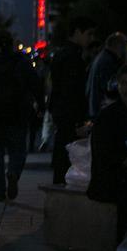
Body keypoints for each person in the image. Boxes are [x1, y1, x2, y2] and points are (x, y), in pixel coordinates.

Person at [0, 30, 44, 201]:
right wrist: (41, 105)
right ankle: (13, 173)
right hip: (18, 113)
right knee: (18, 150)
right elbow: (36, 84)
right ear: (12, 44)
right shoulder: (22, 62)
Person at [87, 64, 127, 238]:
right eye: (125, 83)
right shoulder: (109, 116)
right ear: (118, 85)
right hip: (114, 177)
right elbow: (104, 155)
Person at [49, 16, 96, 184]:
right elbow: (71, 92)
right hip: (69, 118)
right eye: (89, 34)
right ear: (77, 32)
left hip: (62, 115)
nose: (91, 39)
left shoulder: (63, 55)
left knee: (63, 155)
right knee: (68, 156)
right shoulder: (72, 58)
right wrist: (77, 122)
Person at [87, 32, 127, 120]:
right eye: (124, 46)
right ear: (118, 46)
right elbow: (110, 88)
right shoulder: (108, 62)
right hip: (103, 112)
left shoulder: (102, 58)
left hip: (97, 110)